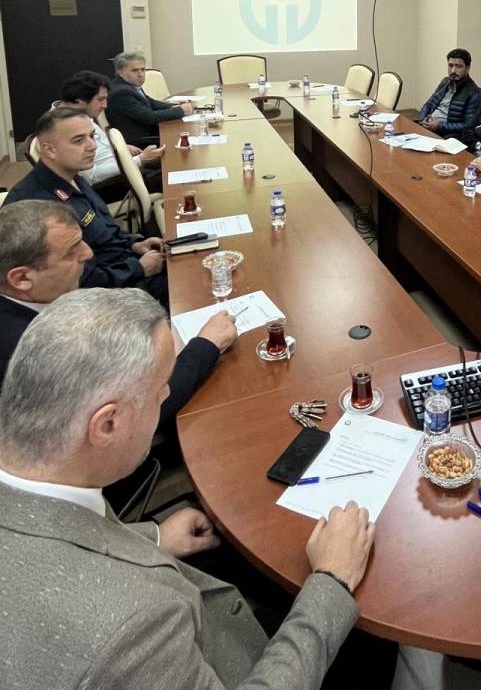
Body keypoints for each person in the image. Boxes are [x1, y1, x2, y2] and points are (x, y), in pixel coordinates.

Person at [0, 287, 374, 690]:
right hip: (235, 657)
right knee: (375, 649)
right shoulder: (130, 625)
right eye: (161, 389)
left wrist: (153, 538)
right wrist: (331, 581)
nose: (167, 396)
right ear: (107, 424)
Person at [0, 201, 233, 422]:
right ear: (21, 278)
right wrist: (207, 344)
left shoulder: (36, 301)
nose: (88, 254)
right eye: (71, 252)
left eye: (82, 242)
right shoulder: (34, 349)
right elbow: (137, 411)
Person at [2, 108, 168, 298]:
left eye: (92, 136)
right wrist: (139, 268)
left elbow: (106, 231)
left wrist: (134, 244)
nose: (92, 146)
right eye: (78, 140)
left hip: (124, 264)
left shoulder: (71, 176)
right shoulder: (39, 207)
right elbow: (79, 280)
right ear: (49, 149)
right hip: (110, 292)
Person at [57, 68, 163, 195]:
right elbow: (91, 176)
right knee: (173, 178)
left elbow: (100, 145)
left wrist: (120, 147)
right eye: (100, 99)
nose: (105, 105)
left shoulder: (78, 114)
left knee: (170, 161)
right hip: (112, 184)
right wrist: (140, 159)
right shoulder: (63, 128)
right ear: (79, 101)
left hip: (124, 167)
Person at [106, 49, 193, 145]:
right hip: (141, 141)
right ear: (121, 73)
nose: (141, 74)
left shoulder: (129, 85)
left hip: (149, 133)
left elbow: (150, 102)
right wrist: (181, 110)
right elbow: (149, 117)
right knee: (187, 137)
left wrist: (173, 106)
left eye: (143, 69)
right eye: (134, 70)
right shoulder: (121, 92)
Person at [417, 48, 481, 136]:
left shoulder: (474, 94)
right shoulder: (445, 82)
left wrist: (439, 126)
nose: (453, 70)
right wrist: (423, 119)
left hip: (445, 135)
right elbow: (428, 105)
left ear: (467, 68)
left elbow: (468, 126)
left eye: (458, 66)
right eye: (450, 65)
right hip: (427, 127)